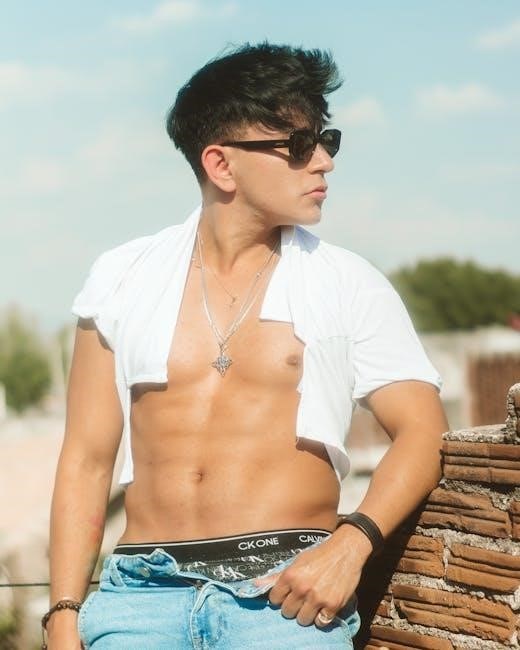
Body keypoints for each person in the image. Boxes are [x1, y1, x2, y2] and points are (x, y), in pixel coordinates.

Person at [45, 42, 448, 649]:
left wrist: (352, 543)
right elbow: (86, 458)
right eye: (298, 145)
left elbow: (424, 431)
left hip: (286, 602)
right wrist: (63, 613)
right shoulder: (121, 277)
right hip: (141, 600)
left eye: (326, 141)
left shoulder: (349, 282)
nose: (323, 162)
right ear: (221, 165)